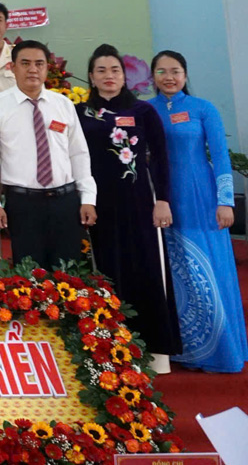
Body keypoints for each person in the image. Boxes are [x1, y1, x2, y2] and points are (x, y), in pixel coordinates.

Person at [78, 44, 181, 371]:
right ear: (91, 76)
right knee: (106, 271)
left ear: (124, 76)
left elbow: (161, 159)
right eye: (101, 70)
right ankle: (108, 351)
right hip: (97, 207)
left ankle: (155, 353)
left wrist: (162, 200)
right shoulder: (79, 113)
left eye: (115, 70)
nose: (109, 76)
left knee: (145, 270)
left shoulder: (143, 111)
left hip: (139, 204)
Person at [151, 49, 248, 374]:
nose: (169, 77)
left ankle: (218, 351)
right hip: (161, 199)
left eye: (175, 71)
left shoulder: (203, 108)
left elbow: (220, 156)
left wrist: (225, 201)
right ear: (153, 76)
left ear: (185, 74)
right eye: (162, 71)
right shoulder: (145, 110)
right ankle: (182, 349)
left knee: (205, 270)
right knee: (173, 273)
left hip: (200, 198)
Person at [0, 40, 97, 270]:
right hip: (23, 204)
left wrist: (88, 198)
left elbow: (78, 153)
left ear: (47, 68)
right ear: (12, 67)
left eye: (39, 64)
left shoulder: (63, 104)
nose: (32, 69)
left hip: (65, 201)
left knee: (69, 273)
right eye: (25, 63)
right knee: (30, 275)